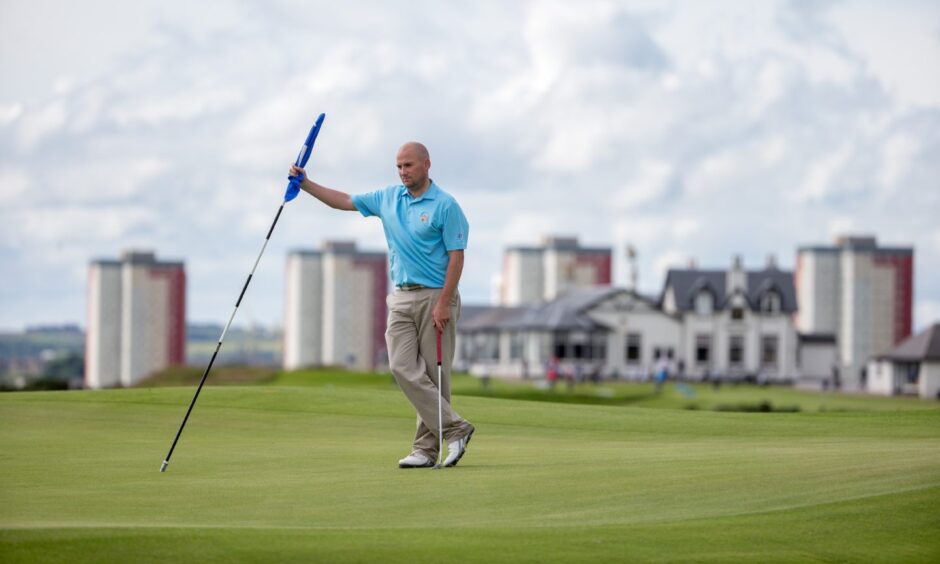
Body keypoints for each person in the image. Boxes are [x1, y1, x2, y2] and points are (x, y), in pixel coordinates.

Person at [289, 141, 475, 469]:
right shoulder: (388, 198)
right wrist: (306, 185)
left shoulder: (446, 206)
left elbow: (457, 258)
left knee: (434, 375)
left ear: (427, 165)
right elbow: (344, 201)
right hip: (402, 297)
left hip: (436, 296)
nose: (403, 172)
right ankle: (456, 428)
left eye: (409, 166)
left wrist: (445, 303)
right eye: (399, 167)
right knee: (401, 366)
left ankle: (424, 451)